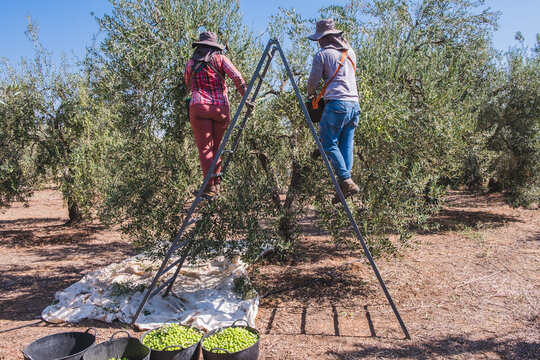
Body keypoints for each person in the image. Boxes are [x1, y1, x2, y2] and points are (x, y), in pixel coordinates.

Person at [185, 32, 247, 198]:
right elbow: (237, 77)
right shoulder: (221, 59)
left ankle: (209, 186)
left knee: (205, 148)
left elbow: (186, 82)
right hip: (221, 109)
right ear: (214, 46)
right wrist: (245, 97)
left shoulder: (191, 63)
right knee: (216, 148)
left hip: (199, 107)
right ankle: (216, 185)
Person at [307, 19, 362, 204]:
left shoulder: (322, 55)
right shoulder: (351, 52)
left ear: (323, 38)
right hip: (354, 105)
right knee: (346, 143)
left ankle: (345, 181)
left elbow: (313, 84)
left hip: (337, 104)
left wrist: (311, 95)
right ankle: (344, 184)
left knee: (328, 142)